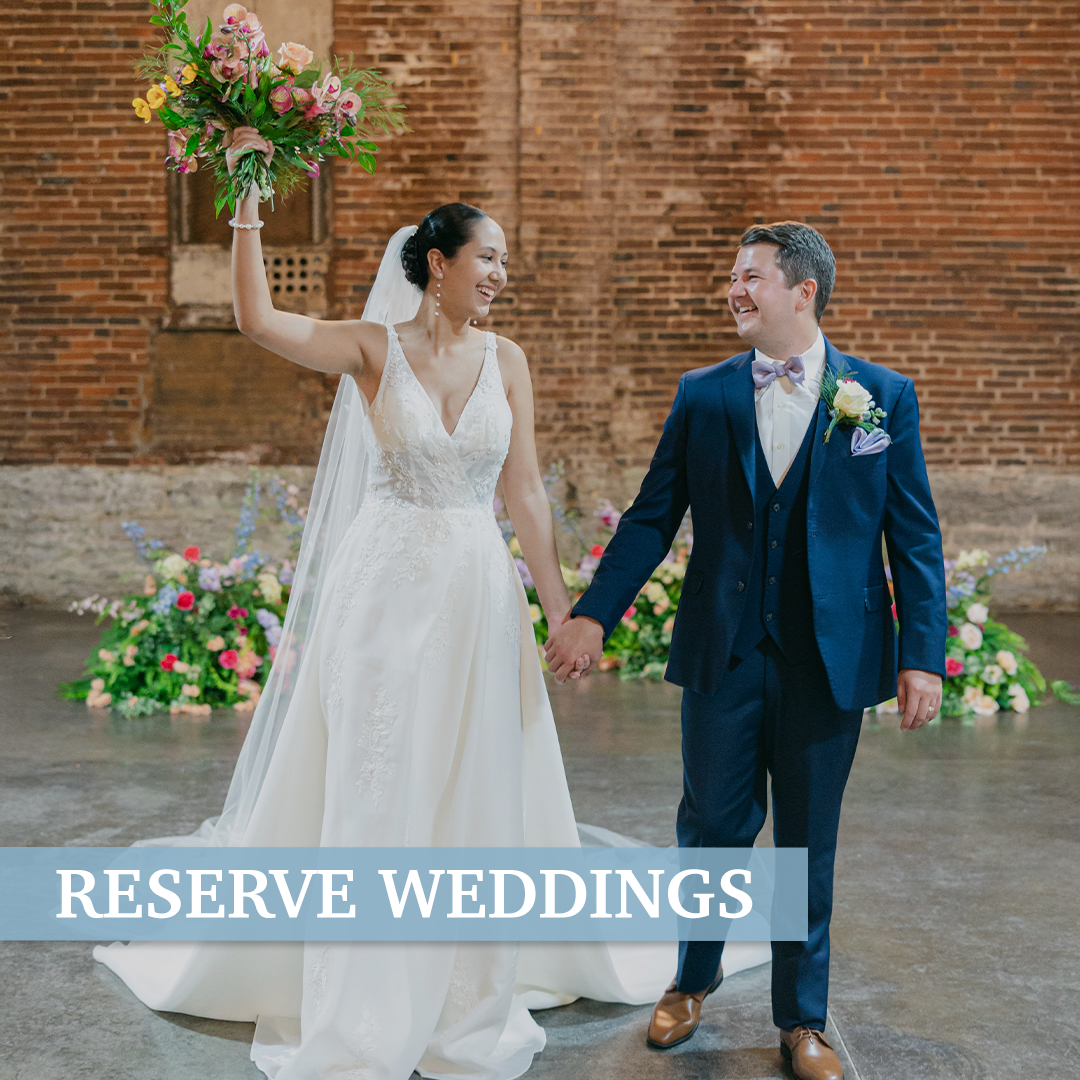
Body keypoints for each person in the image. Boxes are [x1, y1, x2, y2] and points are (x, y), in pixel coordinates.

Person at [93, 129, 769, 1079]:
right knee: (380, 782)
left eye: (505, 261)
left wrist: (564, 610)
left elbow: (526, 494)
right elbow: (256, 320)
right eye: (488, 256)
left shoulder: (510, 360)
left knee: (472, 786)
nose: (501, 273)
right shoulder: (373, 349)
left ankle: (460, 998)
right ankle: (361, 1008)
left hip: (474, 591)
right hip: (384, 590)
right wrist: (246, 193)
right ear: (439, 264)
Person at [545, 222, 947, 1080]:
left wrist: (923, 655)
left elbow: (913, 536)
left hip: (829, 657)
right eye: (734, 276)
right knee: (714, 828)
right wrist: (593, 614)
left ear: (802, 291)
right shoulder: (705, 394)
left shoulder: (881, 396)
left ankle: (802, 1020)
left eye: (750, 276)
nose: (734, 289)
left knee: (808, 839)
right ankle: (692, 981)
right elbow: (654, 515)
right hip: (724, 651)